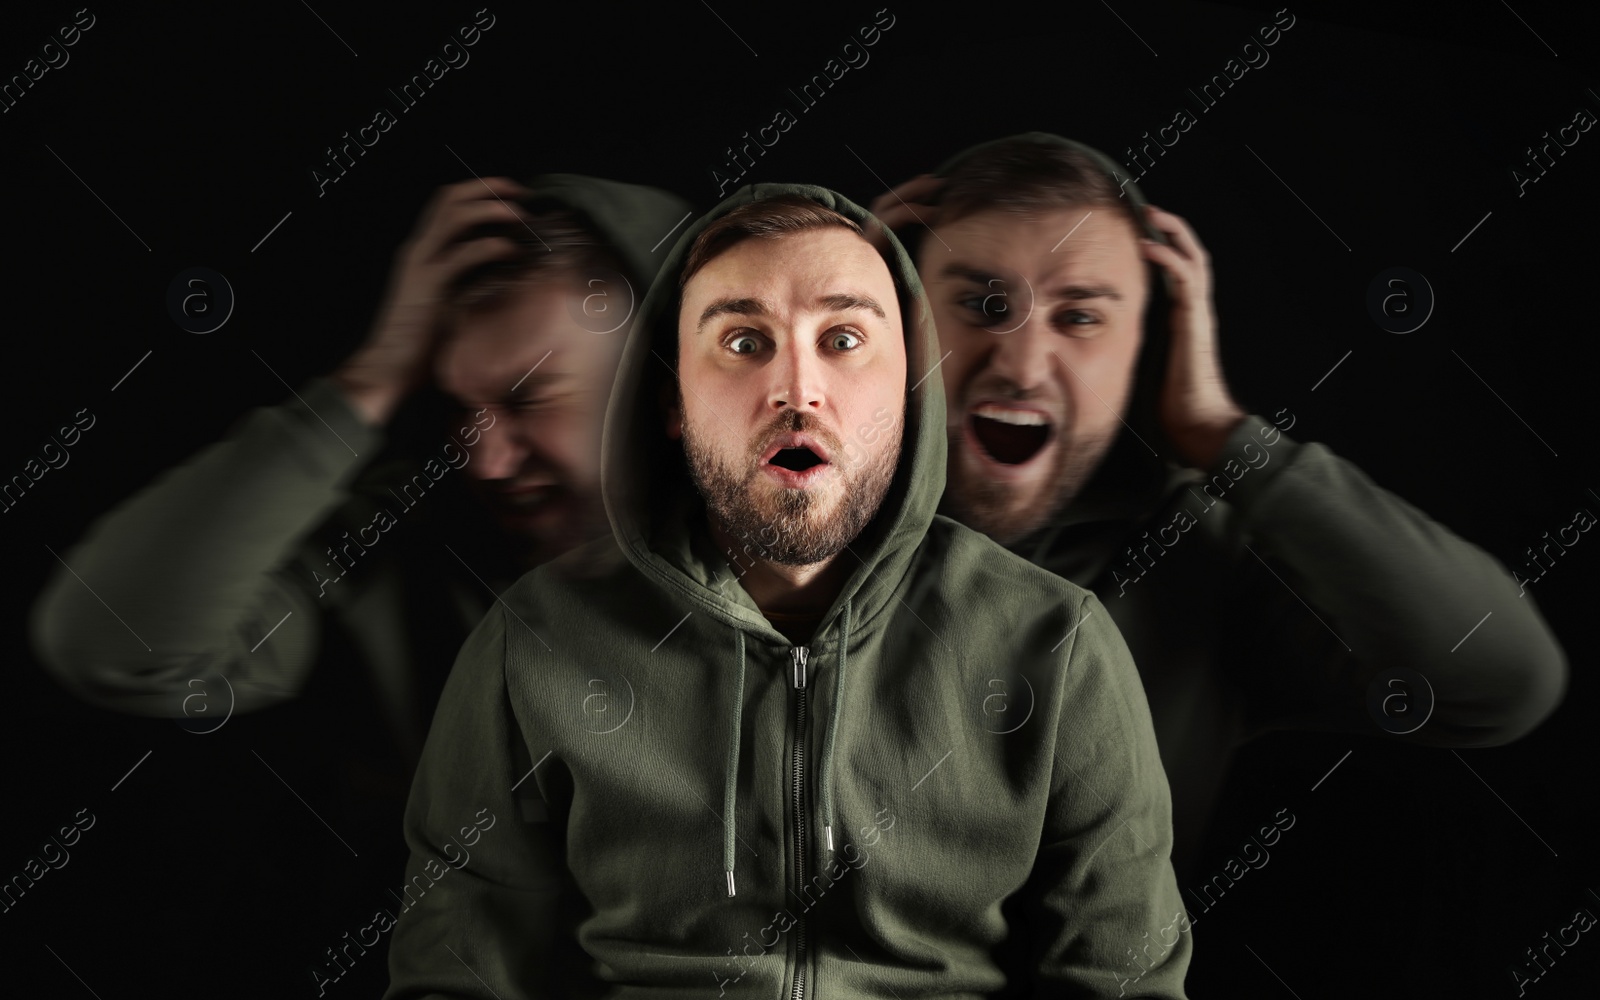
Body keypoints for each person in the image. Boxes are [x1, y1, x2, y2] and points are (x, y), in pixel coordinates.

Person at [383, 186, 1193, 998]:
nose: (797, 390)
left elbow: (1123, 982)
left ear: (910, 388)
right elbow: (453, 974)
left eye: (843, 339)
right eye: (742, 341)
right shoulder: (536, 637)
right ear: (673, 398)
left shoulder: (1056, 642)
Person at [27, 174, 692, 993]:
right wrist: (373, 380)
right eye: (459, 406)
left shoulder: (812, 557)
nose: (482, 458)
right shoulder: (408, 547)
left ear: (673, 379)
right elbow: (108, 640)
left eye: (533, 397)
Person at [868, 132, 1569, 880]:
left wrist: (1223, 438)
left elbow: (1501, 680)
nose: (1019, 362)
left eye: (1079, 318)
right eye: (982, 304)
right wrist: (814, 320)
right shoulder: (783, 514)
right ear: (898, 314)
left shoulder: (1193, 563)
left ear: (1153, 342)